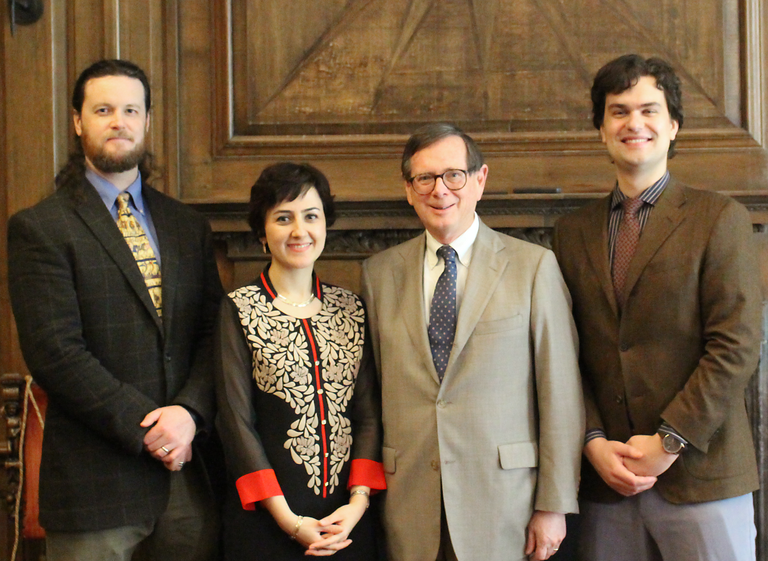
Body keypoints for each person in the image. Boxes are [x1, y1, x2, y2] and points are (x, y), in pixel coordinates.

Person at [7, 59, 223, 560]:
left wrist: (189, 415)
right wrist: (151, 428)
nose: (118, 121)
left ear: (147, 121)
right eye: (103, 109)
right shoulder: (41, 228)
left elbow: (215, 334)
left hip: (188, 483)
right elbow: (55, 353)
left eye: (130, 109)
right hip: (94, 487)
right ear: (79, 122)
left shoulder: (187, 226)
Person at [552, 54, 762, 561]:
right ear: (601, 129)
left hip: (700, 477)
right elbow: (563, 352)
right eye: (618, 111)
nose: (634, 123)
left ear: (672, 125)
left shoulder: (719, 218)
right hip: (607, 482)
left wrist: (669, 441)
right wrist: (593, 440)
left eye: (649, 110)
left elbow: (736, 345)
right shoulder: (570, 233)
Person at [360, 123, 585, 561]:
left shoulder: (533, 267)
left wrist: (554, 504)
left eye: (453, 175)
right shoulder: (378, 274)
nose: (439, 190)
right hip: (409, 505)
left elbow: (561, 393)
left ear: (480, 180)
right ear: (409, 189)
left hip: (507, 507)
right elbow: (373, 392)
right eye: (424, 178)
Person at [214, 162, 386, 560]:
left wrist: (357, 506)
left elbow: (369, 415)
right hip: (266, 523)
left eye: (311, 216)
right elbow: (235, 423)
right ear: (262, 231)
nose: (299, 231)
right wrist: (289, 521)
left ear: (325, 225)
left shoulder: (351, 309)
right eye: (283, 218)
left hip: (348, 524)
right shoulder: (238, 309)